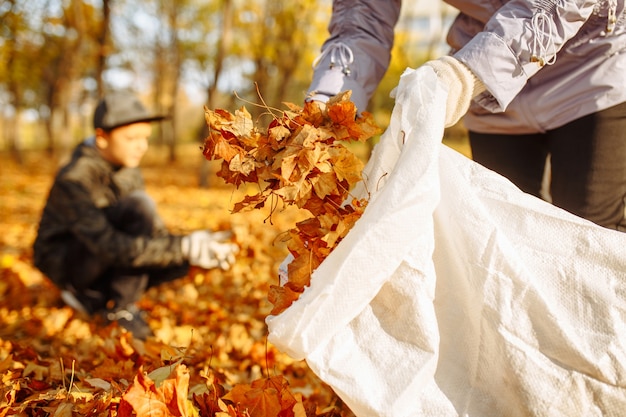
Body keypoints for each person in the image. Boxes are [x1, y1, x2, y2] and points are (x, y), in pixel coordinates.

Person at [306, 0, 626, 231]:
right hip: (492, 92)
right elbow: (361, 20)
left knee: (590, 231)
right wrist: (330, 98)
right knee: (507, 237)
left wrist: (471, 72)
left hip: (593, 64)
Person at [33, 90, 238, 340]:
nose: (143, 146)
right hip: (72, 265)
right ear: (101, 137)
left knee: (167, 247)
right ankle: (109, 305)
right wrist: (181, 247)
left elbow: (147, 231)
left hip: (105, 252)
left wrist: (193, 250)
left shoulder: (127, 167)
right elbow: (108, 244)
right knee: (140, 207)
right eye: (132, 138)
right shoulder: (75, 179)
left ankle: (113, 302)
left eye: (145, 137)